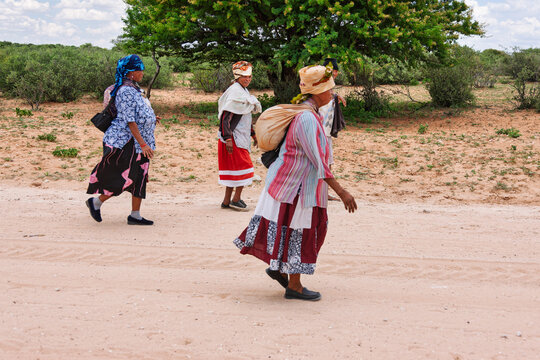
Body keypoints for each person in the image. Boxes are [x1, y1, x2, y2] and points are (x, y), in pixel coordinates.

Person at [233, 65, 357, 301]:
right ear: (317, 92)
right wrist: (342, 192)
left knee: (290, 230)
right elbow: (319, 162)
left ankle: (280, 269)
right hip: (298, 188)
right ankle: (295, 286)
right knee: (302, 230)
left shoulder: (307, 113)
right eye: (328, 89)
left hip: (291, 185)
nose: (331, 94)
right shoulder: (308, 119)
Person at [86, 54, 158, 225]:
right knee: (122, 177)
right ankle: (96, 202)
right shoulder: (125, 91)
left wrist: (152, 118)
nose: (142, 72)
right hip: (126, 142)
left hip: (139, 142)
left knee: (140, 175)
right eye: (140, 69)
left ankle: (135, 215)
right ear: (131, 72)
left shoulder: (135, 88)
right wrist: (142, 143)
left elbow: (138, 113)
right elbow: (129, 120)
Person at [218, 61, 262, 211]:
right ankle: (235, 199)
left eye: (249, 76)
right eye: (244, 76)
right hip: (233, 138)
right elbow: (226, 117)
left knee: (234, 169)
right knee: (245, 167)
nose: (247, 79)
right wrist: (228, 138)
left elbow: (243, 116)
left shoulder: (242, 91)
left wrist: (253, 134)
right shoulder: (236, 92)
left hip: (238, 136)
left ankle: (226, 201)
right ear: (237, 77)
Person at [321, 58, 347, 201]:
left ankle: (324, 192)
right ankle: (322, 192)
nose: (335, 73)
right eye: (333, 70)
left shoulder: (327, 83)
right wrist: (336, 96)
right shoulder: (321, 82)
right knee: (324, 161)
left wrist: (336, 96)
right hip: (322, 128)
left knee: (328, 161)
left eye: (336, 71)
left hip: (326, 128)